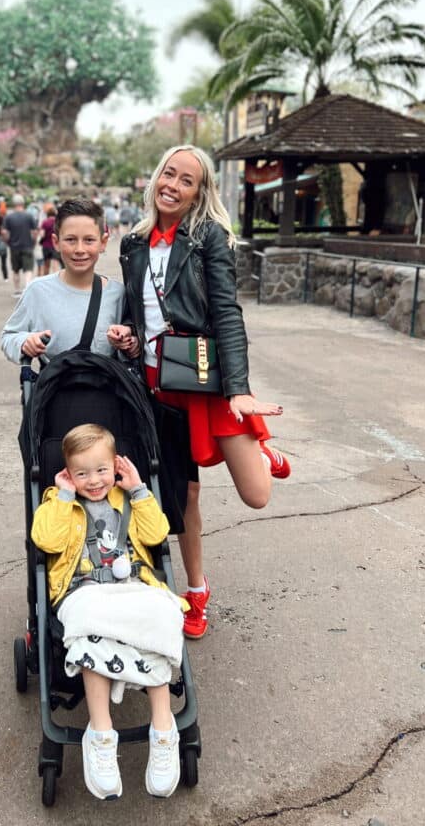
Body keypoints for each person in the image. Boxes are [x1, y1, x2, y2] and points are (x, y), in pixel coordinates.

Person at [107, 144, 290, 640]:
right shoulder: (133, 243)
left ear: (198, 191)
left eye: (187, 180)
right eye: (169, 173)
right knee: (183, 496)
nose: (174, 185)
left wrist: (240, 389)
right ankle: (196, 592)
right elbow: (134, 310)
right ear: (156, 176)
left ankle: (263, 453)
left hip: (205, 381)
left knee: (256, 495)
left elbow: (227, 312)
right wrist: (127, 335)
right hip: (156, 383)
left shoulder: (208, 236)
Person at [31, 424, 185, 800]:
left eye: (101, 470)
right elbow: (45, 541)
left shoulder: (128, 497)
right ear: (67, 472)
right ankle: (100, 733)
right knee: (88, 625)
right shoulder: (58, 501)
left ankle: (163, 729)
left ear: (115, 465)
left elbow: (155, 536)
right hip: (85, 591)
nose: (94, 480)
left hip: (133, 586)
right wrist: (65, 497)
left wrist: (138, 489)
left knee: (162, 616)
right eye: (81, 473)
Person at [0, 198, 129, 363]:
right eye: (70, 240)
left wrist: (127, 344)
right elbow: (9, 336)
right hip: (56, 386)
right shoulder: (37, 290)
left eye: (89, 240)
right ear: (56, 242)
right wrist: (24, 342)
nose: (79, 250)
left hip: (105, 386)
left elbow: (132, 350)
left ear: (103, 243)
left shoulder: (118, 294)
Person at [2, 193, 38, 297]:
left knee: (15, 270)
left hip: (14, 247)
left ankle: (17, 290)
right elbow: (35, 232)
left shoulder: (8, 217)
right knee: (28, 270)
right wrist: (33, 242)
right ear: (23, 203)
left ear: (14, 204)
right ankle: (27, 288)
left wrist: (7, 241)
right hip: (27, 245)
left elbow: (4, 232)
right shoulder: (29, 216)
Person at [38, 203, 61, 276]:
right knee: (55, 265)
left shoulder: (45, 222)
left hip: (46, 246)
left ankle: (46, 280)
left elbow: (42, 234)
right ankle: (56, 281)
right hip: (56, 246)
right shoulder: (58, 222)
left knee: (46, 265)